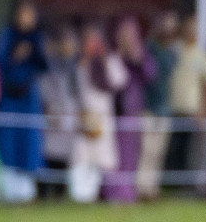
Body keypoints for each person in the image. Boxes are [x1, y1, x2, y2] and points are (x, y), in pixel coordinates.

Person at [0, 0, 47, 202]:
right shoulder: (7, 36)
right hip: (9, 99)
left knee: (28, 142)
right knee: (8, 142)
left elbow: (43, 65)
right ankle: (8, 189)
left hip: (28, 99)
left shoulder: (37, 38)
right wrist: (15, 57)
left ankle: (26, 190)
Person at [70, 21, 124, 203]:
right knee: (81, 156)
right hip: (85, 115)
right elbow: (76, 90)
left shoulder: (108, 60)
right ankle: (79, 195)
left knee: (101, 159)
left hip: (103, 116)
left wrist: (106, 60)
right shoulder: (80, 62)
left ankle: (94, 194)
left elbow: (120, 81)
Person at [106, 16, 156, 203]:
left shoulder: (141, 54)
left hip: (132, 112)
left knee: (130, 155)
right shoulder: (112, 54)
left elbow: (150, 76)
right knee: (111, 155)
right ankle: (111, 191)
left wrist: (138, 58)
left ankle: (126, 191)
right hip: (112, 112)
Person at [166, 15, 206, 195]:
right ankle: (174, 185)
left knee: (191, 151)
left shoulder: (202, 56)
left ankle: (189, 187)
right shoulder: (174, 51)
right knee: (174, 150)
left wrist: (205, 110)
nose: (191, 32)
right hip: (172, 110)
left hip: (192, 112)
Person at [136, 11, 177, 200]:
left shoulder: (172, 52)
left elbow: (170, 72)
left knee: (159, 151)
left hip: (164, 108)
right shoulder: (148, 48)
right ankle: (141, 187)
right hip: (148, 107)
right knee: (146, 150)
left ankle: (152, 187)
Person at [38, 23, 82, 197]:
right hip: (52, 118)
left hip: (69, 121)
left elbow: (78, 93)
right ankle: (43, 193)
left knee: (64, 159)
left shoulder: (75, 67)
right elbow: (44, 86)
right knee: (48, 156)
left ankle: (60, 194)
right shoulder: (50, 65)